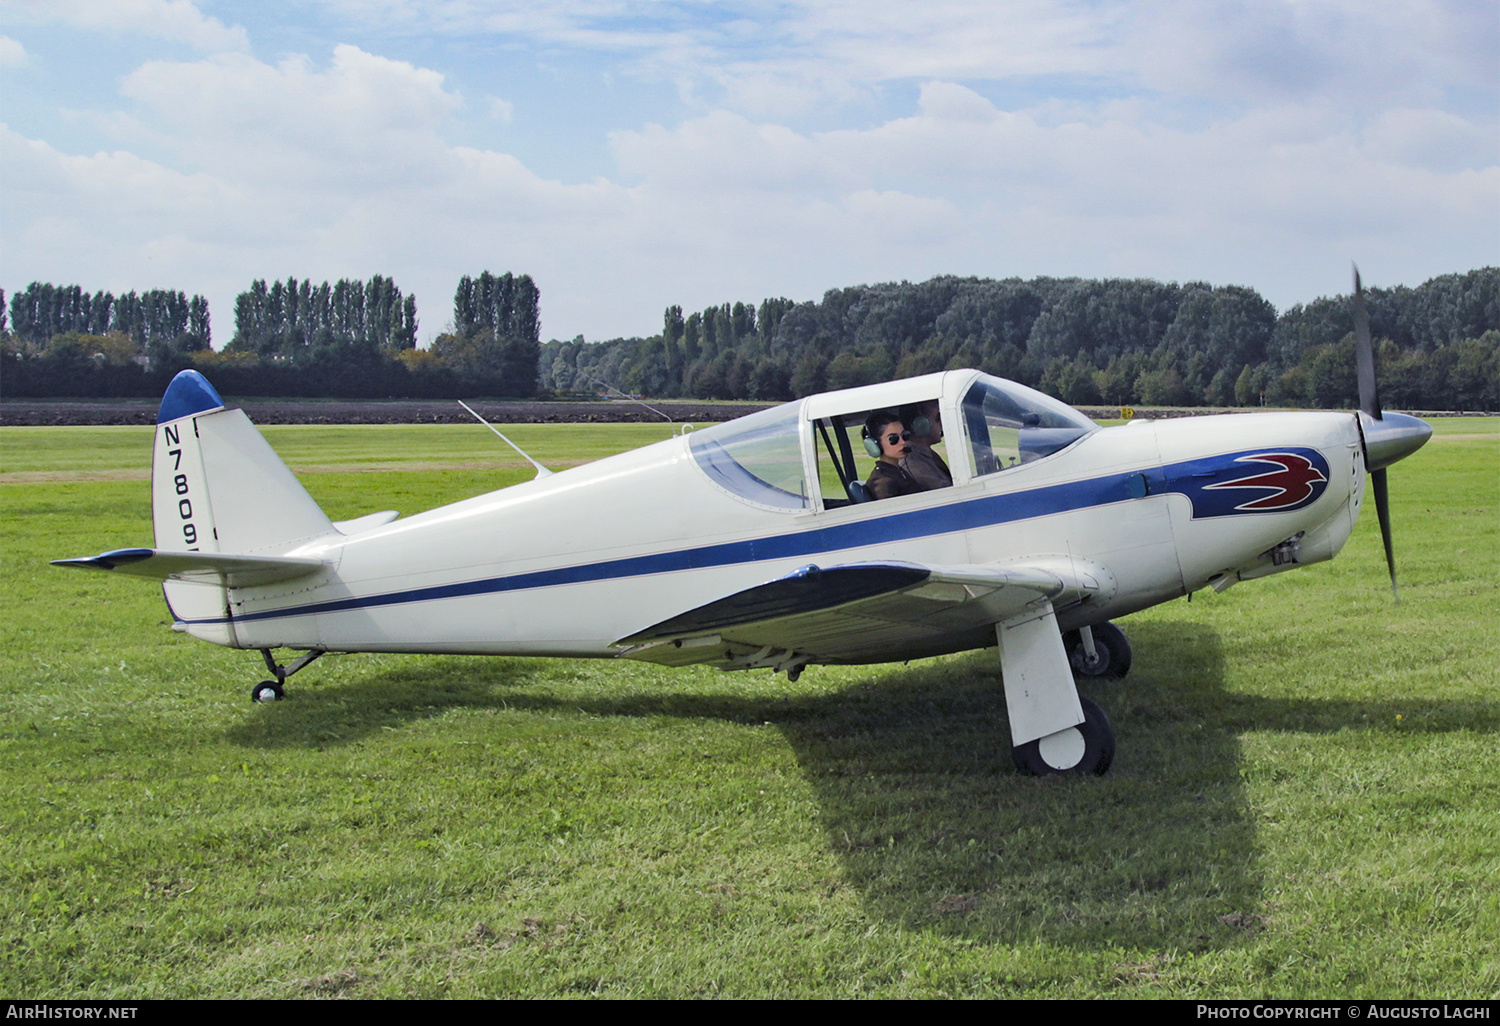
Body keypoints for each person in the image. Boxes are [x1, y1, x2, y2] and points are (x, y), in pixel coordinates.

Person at [862, 411, 922, 500]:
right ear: (875, 445)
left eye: (904, 435)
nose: (903, 442)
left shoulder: (895, 471)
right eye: (893, 439)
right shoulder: (883, 482)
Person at [899, 400, 953, 490]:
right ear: (921, 425)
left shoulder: (925, 454)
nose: (942, 424)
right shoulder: (914, 463)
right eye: (937, 418)